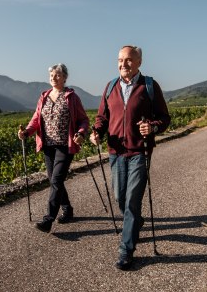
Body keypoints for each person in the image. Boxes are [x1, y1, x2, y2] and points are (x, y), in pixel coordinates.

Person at [89, 45, 170, 270]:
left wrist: (152, 127)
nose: (123, 64)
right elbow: (101, 118)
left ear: (139, 62)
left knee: (133, 199)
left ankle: (126, 250)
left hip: (139, 152)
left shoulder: (149, 86)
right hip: (116, 152)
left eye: (128, 60)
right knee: (120, 198)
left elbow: (164, 118)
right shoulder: (110, 86)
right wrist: (97, 132)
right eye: (120, 60)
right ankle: (135, 224)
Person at [18, 63, 89, 232]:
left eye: (57, 75)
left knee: (56, 180)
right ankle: (67, 209)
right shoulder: (44, 96)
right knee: (54, 180)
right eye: (51, 75)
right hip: (48, 146)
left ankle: (48, 219)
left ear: (65, 78)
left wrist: (81, 133)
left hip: (65, 145)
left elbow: (83, 119)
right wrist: (27, 132)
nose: (54, 77)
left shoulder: (71, 97)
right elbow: (36, 119)